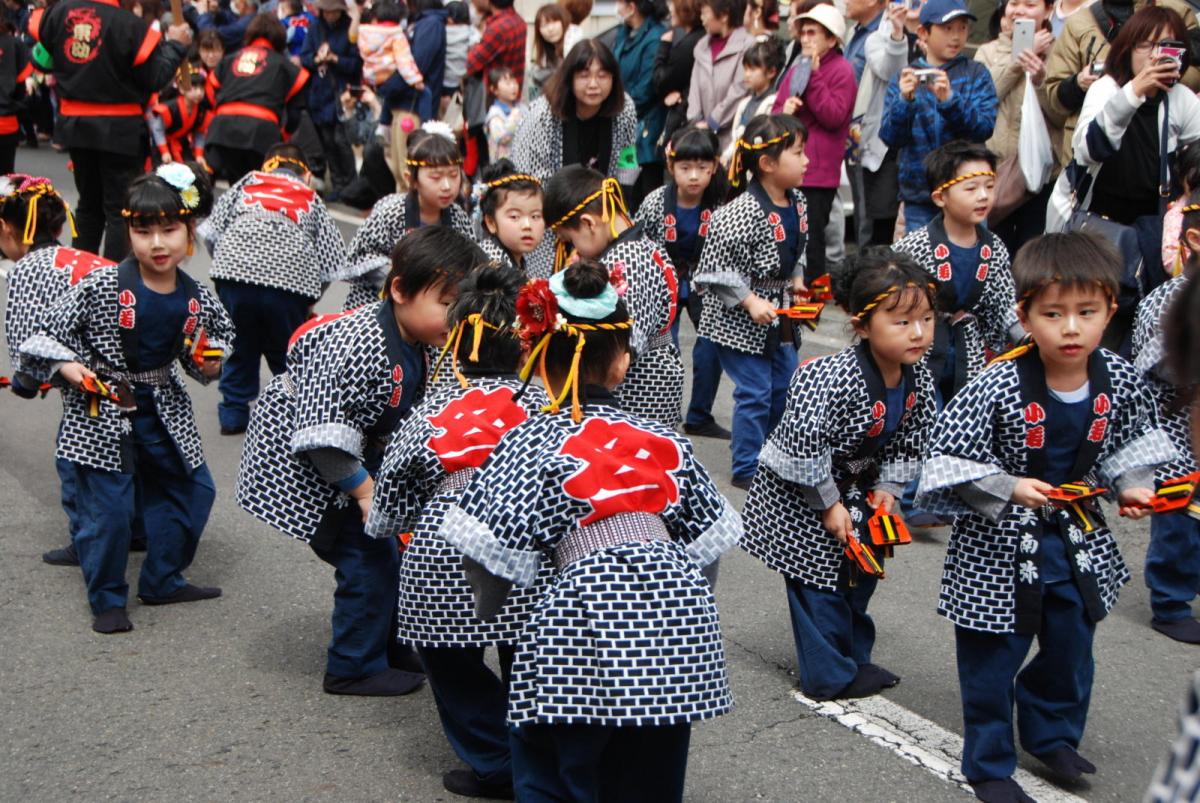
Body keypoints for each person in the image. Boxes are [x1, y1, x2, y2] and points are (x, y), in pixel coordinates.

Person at [438, 258, 740, 803]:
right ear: (622, 362)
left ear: (533, 352)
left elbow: (487, 552)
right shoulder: (662, 439)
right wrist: (671, 600)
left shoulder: (528, 442)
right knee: (652, 766)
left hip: (577, 609)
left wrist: (493, 609)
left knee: (559, 761)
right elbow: (708, 545)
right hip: (677, 614)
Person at [917, 231, 1172, 803]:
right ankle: (987, 763)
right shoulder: (997, 381)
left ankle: (1051, 731)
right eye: (1053, 314)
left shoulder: (1118, 376)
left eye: (1087, 311)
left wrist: (1132, 486)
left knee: (1072, 647)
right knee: (991, 657)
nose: (1072, 328)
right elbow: (945, 463)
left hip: (1075, 538)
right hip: (999, 543)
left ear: (1111, 310)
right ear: (1025, 315)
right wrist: (1008, 485)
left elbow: (1131, 444)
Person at [237, 226, 485, 696]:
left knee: (391, 554)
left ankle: (387, 646)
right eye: (448, 302)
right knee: (367, 559)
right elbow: (322, 437)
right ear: (399, 289)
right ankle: (353, 664)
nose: (458, 316)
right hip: (311, 460)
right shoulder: (361, 343)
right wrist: (365, 491)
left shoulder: (417, 340)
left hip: (356, 457)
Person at [19, 163, 233, 635]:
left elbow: (215, 346)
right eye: (143, 231)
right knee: (109, 513)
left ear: (189, 230)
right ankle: (108, 598)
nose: (157, 243)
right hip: (100, 403)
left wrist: (209, 362)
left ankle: (162, 579)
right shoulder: (100, 285)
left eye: (169, 230)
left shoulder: (197, 296)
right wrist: (66, 366)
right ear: (129, 232)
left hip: (162, 404)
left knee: (193, 490)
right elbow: (42, 336)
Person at [366, 263, 552, 801]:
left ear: (456, 339)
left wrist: (397, 520)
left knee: (451, 661)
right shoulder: (551, 408)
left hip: (444, 556)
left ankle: (494, 761)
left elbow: (390, 506)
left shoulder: (430, 413)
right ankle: (537, 756)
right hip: (530, 555)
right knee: (534, 659)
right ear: (529, 341)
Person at [742, 247, 938, 701]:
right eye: (902, 321)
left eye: (927, 319)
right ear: (863, 326)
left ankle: (853, 659)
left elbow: (912, 437)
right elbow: (802, 446)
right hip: (799, 493)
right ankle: (828, 675)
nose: (919, 333)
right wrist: (828, 504)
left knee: (859, 574)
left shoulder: (918, 375)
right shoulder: (829, 376)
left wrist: (889, 488)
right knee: (818, 582)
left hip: (859, 487)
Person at [0, 175, 116, 568]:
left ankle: (87, 541)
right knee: (128, 460)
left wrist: (25, 383)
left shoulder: (26, 271)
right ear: (59, 225)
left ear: (5, 228)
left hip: (90, 383)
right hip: (136, 371)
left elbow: (27, 338)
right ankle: (132, 531)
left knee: (77, 463)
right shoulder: (87, 259)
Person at [198, 144, 346, 436]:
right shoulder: (311, 198)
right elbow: (331, 263)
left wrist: (229, 269)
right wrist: (310, 297)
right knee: (286, 349)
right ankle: (288, 414)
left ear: (268, 166)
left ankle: (233, 413)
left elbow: (210, 232)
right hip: (290, 284)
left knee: (238, 344)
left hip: (233, 274)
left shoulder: (248, 181)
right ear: (305, 174)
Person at [693, 114, 808, 489]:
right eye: (798, 153)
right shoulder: (738, 211)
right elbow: (711, 270)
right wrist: (748, 300)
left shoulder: (799, 201)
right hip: (738, 316)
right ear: (767, 164)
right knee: (755, 391)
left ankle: (772, 458)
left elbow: (799, 250)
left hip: (780, 308)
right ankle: (746, 466)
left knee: (784, 388)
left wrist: (798, 281)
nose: (807, 160)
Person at [30, 0, 192, 261]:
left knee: (88, 206)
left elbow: (39, 61)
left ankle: (80, 276)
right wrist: (176, 45)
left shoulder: (58, 14)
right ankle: (115, 282)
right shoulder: (130, 26)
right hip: (120, 130)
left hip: (76, 126)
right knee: (119, 210)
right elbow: (155, 78)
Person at [544, 167, 685, 427]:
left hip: (637, 387)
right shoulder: (640, 245)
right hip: (653, 376)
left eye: (570, 240)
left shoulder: (625, 261)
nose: (575, 250)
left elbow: (624, 343)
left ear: (588, 223)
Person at [1046, 6, 1200, 232]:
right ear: (1128, 48)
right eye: (1146, 45)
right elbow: (1088, 150)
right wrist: (1135, 91)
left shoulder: (1180, 99)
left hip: (1149, 224)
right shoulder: (1106, 89)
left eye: (1166, 46)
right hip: (1089, 215)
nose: (1155, 55)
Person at [892, 141, 1021, 402]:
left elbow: (1005, 304)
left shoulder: (994, 247)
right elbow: (891, 301)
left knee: (964, 421)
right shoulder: (914, 246)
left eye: (989, 187)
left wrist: (1026, 336)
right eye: (971, 188)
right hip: (922, 351)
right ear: (941, 197)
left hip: (970, 352)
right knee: (923, 420)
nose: (983, 196)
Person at [1131, 195, 1200, 644]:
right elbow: (1149, 363)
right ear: (1195, 239)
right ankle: (1170, 602)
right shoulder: (1171, 298)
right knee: (1179, 516)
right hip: (1173, 424)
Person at [511, 39, 639, 276]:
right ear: (569, 77)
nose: (593, 84)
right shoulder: (542, 115)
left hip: (600, 216)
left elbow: (627, 159)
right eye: (584, 75)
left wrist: (618, 208)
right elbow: (528, 177)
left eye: (602, 75)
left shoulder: (624, 109)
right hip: (551, 219)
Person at [635, 124, 731, 439]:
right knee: (665, 349)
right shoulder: (654, 202)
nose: (693, 176)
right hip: (665, 282)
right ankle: (666, 413)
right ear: (671, 166)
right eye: (685, 167)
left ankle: (700, 415)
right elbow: (638, 244)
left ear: (714, 167)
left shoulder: (721, 204)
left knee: (711, 348)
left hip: (707, 282)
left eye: (702, 168)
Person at [879, 0, 998, 233]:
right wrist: (905, 100)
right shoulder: (904, 76)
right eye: (947, 29)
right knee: (920, 267)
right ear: (923, 33)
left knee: (969, 263)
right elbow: (890, 137)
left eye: (962, 28)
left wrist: (950, 101)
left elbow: (984, 127)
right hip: (919, 196)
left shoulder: (976, 73)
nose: (956, 37)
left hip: (968, 191)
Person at [1040, 0, 1200, 172]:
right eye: (1144, 45)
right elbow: (1055, 98)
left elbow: (1194, 75)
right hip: (1093, 161)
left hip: (1159, 139)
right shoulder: (1081, 22)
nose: (1152, 53)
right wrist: (1079, 83)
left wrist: (1164, 75)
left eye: (1160, 44)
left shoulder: (1176, 12)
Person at [341, 125, 473, 310]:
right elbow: (361, 256)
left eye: (453, 175)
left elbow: (470, 266)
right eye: (435, 177)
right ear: (411, 179)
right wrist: (405, 282)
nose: (446, 186)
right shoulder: (391, 211)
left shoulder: (459, 218)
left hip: (434, 314)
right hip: (379, 305)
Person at [772, 3, 855, 284]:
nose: (805, 38)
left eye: (813, 33)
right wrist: (785, 111)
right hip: (787, 167)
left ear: (831, 39)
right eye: (803, 32)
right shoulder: (799, 65)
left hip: (818, 174)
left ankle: (812, 302)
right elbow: (777, 110)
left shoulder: (843, 70)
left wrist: (816, 78)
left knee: (812, 240)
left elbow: (834, 116)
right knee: (788, 234)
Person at [974, 0, 1062, 253]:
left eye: (1030, 4)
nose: (1019, 10)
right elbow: (985, 96)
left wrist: (1040, 81)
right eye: (1013, 3)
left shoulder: (1060, 51)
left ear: (1048, 10)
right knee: (991, 251)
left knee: (1032, 254)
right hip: (997, 171)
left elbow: (1061, 114)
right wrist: (1019, 59)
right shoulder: (988, 52)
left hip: (1042, 175)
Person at [202, 13, 310, 184]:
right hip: (262, 132)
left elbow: (209, 91)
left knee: (230, 188)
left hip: (222, 129)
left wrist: (219, 112)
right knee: (255, 190)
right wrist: (284, 134)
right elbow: (295, 112)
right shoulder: (284, 65)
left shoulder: (230, 59)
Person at [848, 0, 909, 246]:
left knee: (882, 227)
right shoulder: (869, 35)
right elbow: (889, 71)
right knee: (868, 222)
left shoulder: (927, 31)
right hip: (867, 140)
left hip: (896, 146)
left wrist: (900, 33)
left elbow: (890, 71)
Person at [299, 0, 361, 203]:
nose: (330, 15)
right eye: (327, 12)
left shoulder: (349, 28)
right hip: (319, 92)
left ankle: (350, 185)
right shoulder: (315, 28)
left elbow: (355, 63)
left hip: (341, 93)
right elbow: (305, 57)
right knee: (327, 142)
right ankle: (337, 184)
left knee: (342, 140)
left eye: (334, 12)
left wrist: (336, 59)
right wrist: (317, 59)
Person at [614, 0, 669, 207]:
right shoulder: (623, 33)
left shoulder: (655, 37)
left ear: (632, 6)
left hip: (646, 128)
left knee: (645, 198)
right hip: (623, 124)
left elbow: (647, 89)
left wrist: (619, 108)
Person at [685, 0, 754, 151]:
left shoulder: (747, 45)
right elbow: (694, 89)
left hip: (730, 137)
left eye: (705, 13)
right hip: (700, 137)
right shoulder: (701, 46)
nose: (702, 18)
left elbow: (740, 90)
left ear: (724, 15)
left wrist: (711, 123)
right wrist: (695, 122)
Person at [653, 0, 706, 172]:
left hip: (684, 122)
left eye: (673, 4)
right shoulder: (698, 39)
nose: (670, 9)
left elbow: (660, 81)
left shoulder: (689, 44)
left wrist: (663, 47)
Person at [473, 158, 546, 273]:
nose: (527, 225)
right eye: (514, 217)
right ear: (491, 223)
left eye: (535, 216)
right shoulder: (491, 267)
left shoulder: (513, 257)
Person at [724, 37, 782, 164]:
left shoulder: (774, 103)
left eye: (753, 69)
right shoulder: (744, 103)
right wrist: (726, 156)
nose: (747, 74)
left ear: (771, 72)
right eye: (745, 69)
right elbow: (736, 139)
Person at [148, 66, 207, 166]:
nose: (199, 93)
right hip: (161, 145)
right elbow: (157, 129)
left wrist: (199, 154)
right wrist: (164, 151)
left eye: (201, 88)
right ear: (181, 89)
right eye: (194, 88)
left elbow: (199, 133)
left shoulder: (201, 112)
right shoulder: (169, 108)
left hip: (182, 145)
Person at [0, 19, 30, 173]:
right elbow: (23, 89)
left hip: (7, 122)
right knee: (4, 181)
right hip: (7, 123)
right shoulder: (16, 44)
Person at [527, 3, 569, 102]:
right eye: (544, 25)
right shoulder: (540, 63)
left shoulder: (574, 49)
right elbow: (533, 97)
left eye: (554, 22)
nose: (550, 29)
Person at [485, 65, 523, 162]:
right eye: (507, 83)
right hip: (502, 166)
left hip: (521, 161)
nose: (513, 86)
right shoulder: (495, 113)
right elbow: (501, 137)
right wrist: (515, 116)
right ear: (494, 89)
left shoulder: (521, 107)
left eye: (514, 82)